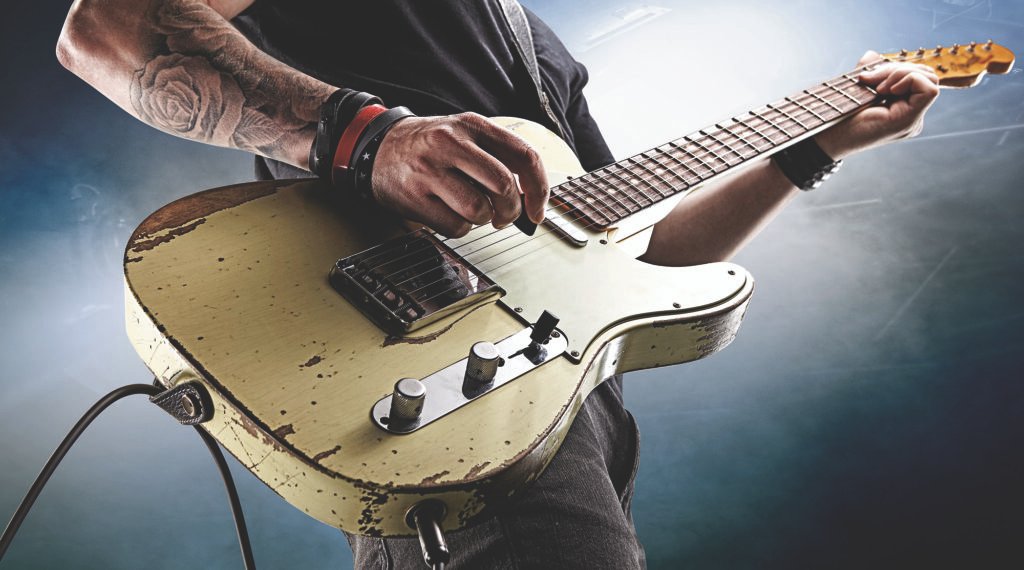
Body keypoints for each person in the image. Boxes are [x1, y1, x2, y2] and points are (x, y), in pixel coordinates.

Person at [56, 1, 940, 567]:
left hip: (556, 403)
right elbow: (106, 27)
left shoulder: (534, 48)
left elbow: (638, 262)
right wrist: (369, 138)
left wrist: (817, 145)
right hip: (432, 375)